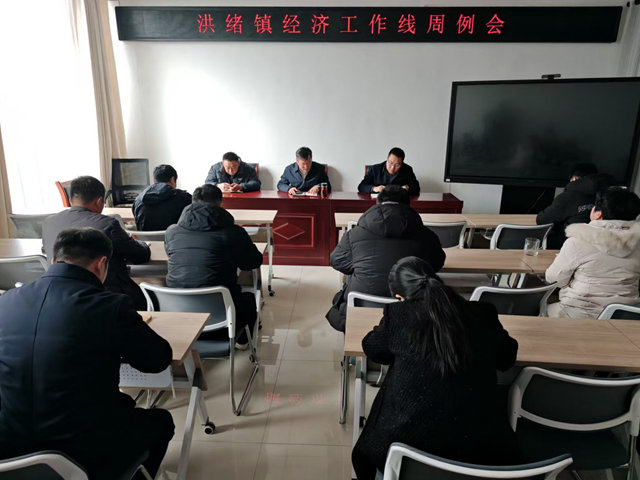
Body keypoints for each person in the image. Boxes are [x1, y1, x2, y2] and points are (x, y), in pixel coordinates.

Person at [0, 228, 174, 480]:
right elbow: (158, 361)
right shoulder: (110, 306)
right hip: (83, 448)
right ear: (101, 264)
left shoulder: (6, 301)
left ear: (53, 260)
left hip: (9, 444)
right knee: (161, 422)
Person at [352, 256, 521, 480]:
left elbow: (373, 350)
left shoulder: (398, 315)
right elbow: (507, 358)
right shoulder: (483, 312)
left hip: (406, 448)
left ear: (400, 297)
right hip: (482, 449)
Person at [326, 185, 445, 332]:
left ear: (377, 203)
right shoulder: (427, 235)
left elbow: (337, 261)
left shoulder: (354, 234)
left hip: (362, 305)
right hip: (413, 310)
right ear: (408, 205)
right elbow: (437, 264)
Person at [165, 184, 263, 347]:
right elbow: (253, 262)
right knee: (249, 298)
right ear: (220, 204)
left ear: (192, 202)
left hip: (179, 316)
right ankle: (242, 342)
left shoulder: (172, 231)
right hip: (223, 320)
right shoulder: (233, 232)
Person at [43, 176, 151, 310]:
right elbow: (140, 256)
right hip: (105, 298)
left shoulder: (49, 222)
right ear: (100, 201)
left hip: (57, 296)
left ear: (71, 201)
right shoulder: (106, 224)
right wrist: (137, 242)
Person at [546, 186, 640, 319]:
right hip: (627, 315)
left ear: (598, 214)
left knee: (538, 307)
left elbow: (554, 279)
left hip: (579, 313)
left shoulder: (578, 240)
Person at [536, 164, 615, 249]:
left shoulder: (566, 198)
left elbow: (542, 220)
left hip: (565, 246)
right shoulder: (609, 196)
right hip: (600, 247)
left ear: (574, 178)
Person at [132, 164, 192, 231]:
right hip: (173, 237)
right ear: (172, 180)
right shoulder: (184, 198)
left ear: (154, 181)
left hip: (145, 237)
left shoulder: (138, 200)